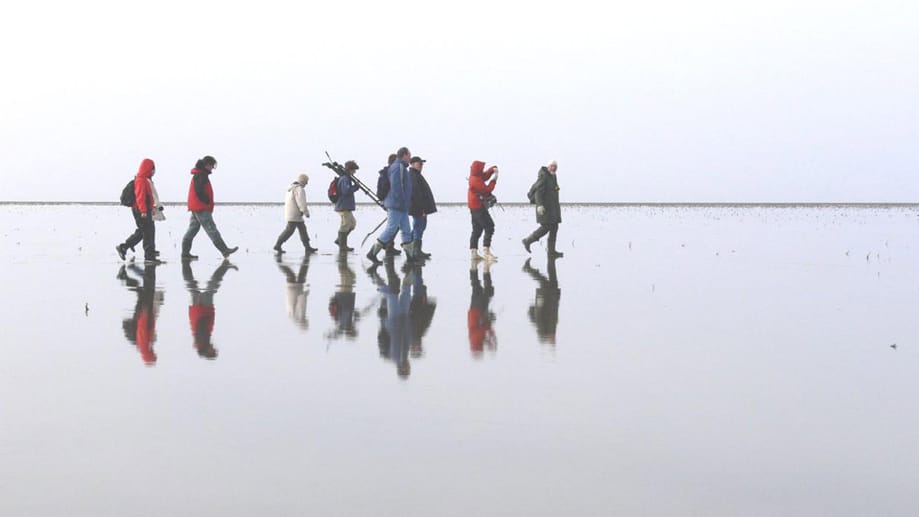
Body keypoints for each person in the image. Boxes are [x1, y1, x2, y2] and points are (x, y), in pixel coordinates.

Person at [181, 155, 238, 260]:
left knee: (192, 230)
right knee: (211, 229)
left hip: (196, 207)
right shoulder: (201, 175)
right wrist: (206, 200)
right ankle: (224, 250)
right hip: (201, 207)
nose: (212, 168)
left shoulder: (199, 174)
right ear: (207, 165)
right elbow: (198, 190)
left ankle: (185, 254)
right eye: (212, 166)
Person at [366, 147, 417, 263]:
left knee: (406, 230)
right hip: (397, 205)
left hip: (401, 206)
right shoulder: (398, 167)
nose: (410, 158)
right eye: (409, 155)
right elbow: (397, 187)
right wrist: (403, 202)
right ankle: (372, 253)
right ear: (404, 155)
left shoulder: (400, 167)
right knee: (391, 229)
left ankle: (411, 257)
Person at [183, 259, 236, 359]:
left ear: (208, 351)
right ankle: (185, 266)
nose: (214, 348)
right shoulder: (200, 342)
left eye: (213, 350)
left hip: (203, 310)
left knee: (212, 286)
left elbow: (201, 326)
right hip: (197, 311)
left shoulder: (203, 341)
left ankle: (224, 267)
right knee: (192, 286)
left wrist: (207, 317)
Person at [116, 158, 159, 263]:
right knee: (147, 232)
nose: (154, 172)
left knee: (144, 231)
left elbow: (149, 197)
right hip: (140, 210)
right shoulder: (141, 180)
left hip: (144, 210)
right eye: (153, 169)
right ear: (148, 169)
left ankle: (125, 247)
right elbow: (140, 197)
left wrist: (152, 208)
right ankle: (149, 256)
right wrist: (143, 211)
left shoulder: (145, 180)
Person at [522, 160, 563, 258]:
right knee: (546, 227)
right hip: (545, 208)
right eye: (552, 166)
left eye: (555, 166)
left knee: (554, 227)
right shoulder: (544, 176)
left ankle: (551, 252)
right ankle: (528, 240)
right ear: (548, 167)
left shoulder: (553, 176)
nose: (554, 168)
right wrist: (539, 205)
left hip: (553, 208)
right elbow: (538, 192)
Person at [274, 173, 317, 255]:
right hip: (295, 214)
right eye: (306, 181)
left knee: (302, 229)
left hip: (291, 213)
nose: (307, 183)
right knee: (289, 230)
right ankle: (278, 244)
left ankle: (307, 247)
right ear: (303, 181)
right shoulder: (299, 189)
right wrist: (306, 212)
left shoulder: (291, 188)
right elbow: (301, 202)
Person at [523, 257, 561, 344]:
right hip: (551, 297)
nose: (554, 338)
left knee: (543, 281)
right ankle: (528, 269)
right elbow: (553, 312)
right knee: (543, 281)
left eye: (552, 340)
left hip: (549, 298)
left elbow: (539, 313)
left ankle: (528, 269)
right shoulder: (550, 328)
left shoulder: (544, 328)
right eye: (553, 340)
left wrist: (540, 299)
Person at [467, 160, 499, 261]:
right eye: (482, 168)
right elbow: (486, 190)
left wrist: (491, 170)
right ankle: (487, 252)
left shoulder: (475, 176)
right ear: (478, 169)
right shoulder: (475, 180)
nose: (483, 170)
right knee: (489, 226)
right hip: (478, 207)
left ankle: (474, 253)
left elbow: (484, 176)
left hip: (473, 207)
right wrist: (494, 180)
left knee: (477, 229)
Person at [408, 156, 437, 259]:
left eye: (422, 164)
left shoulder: (416, 175)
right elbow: (416, 193)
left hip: (419, 207)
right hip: (418, 208)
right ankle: (415, 251)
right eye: (419, 163)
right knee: (418, 227)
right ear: (412, 164)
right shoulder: (412, 175)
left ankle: (410, 247)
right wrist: (422, 209)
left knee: (419, 227)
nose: (421, 166)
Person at [334, 161, 361, 252]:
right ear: (350, 169)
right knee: (345, 225)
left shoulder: (347, 178)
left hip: (346, 206)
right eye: (354, 170)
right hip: (343, 206)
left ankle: (340, 240)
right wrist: (355, 188)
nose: (355, 172)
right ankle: (342, 245)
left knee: (352, 224)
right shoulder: (345, 179)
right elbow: (346, 191)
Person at [376, 154, 400, 256]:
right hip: (392, 203)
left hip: (391, 202)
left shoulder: (387, 173)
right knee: (393, 226)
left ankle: (389, 245)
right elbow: (386, 188)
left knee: (394, 225)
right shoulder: (389, 173)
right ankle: (385, 246)